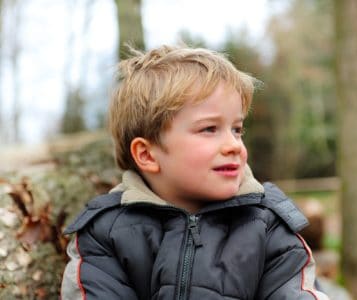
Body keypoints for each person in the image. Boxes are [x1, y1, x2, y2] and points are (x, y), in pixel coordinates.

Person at [60, 45, 329, 300]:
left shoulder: (268, 225)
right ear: (147, 154)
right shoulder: (105, 232)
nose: (234, 145)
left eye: (237, 129)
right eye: (209, 129)